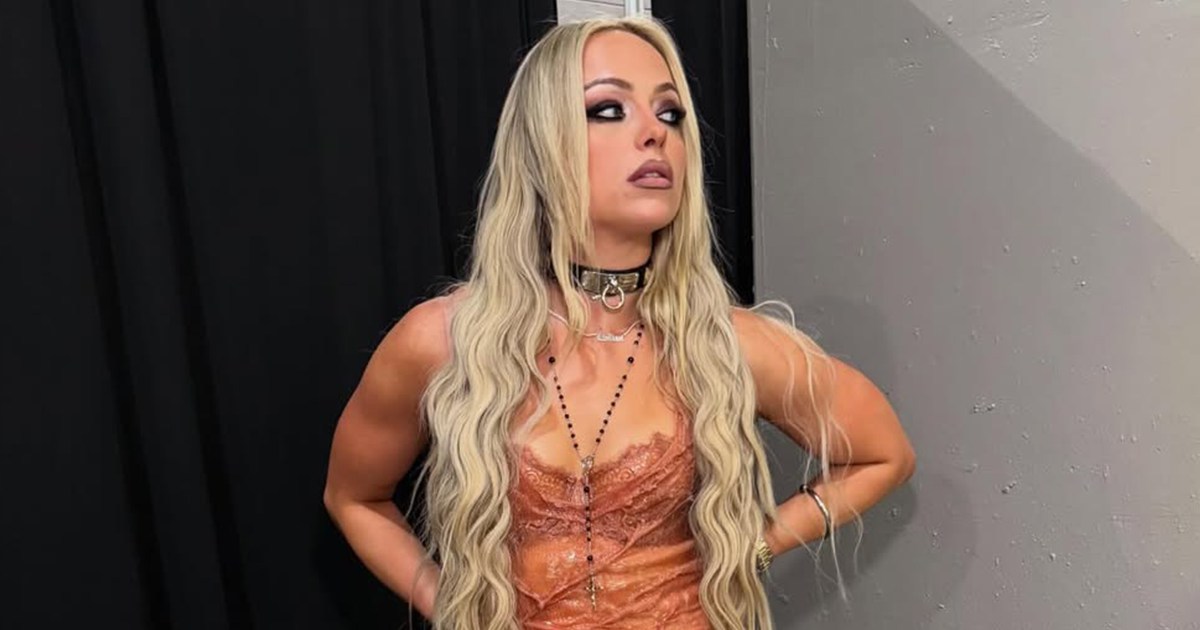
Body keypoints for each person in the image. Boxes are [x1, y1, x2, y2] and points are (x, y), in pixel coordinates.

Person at [322, 14, 915, 629]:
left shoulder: (723, 344)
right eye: (608, 110)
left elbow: (883, 455)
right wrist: (456, 609)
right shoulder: (446, 340)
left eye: (670, 114)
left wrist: (751, 551)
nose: (655, 134)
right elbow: (353, 497)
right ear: (542, 142)